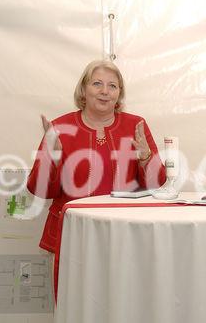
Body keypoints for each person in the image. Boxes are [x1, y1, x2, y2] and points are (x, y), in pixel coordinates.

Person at [27, 59, 166, 266]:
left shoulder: (135, 125)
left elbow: (156, 184)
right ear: (83, 89)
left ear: (119, 93)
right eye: (97, 84)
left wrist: (146, 157)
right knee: (73, 299)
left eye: (112, 86)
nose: (105, 91)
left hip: (124, 234)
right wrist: (52, 159)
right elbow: (38, 189)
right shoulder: (59, 128)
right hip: (72, 235)